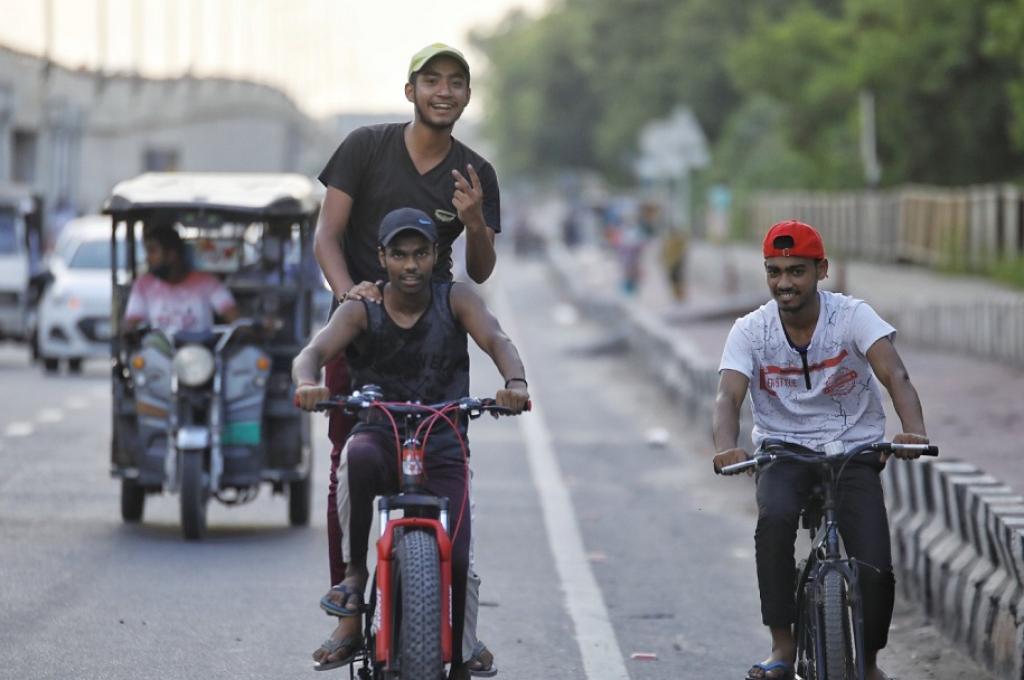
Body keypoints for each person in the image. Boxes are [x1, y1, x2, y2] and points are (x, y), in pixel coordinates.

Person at [313, 42, 502, 675]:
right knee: (352, 461)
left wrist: (475, 221)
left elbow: (479, 268)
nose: (444, 91)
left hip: (432, 342)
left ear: (467, 97)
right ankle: (348, 607)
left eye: (456, 83)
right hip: (362, 330)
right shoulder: (365, 147)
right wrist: (350, 296)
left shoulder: (474, 171)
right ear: (410, 90)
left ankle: (459, 625)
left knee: (452, 471)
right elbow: (327, 235)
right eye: (432, 80)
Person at [293, 208, 528, 679]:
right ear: (382, 258)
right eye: (399, 255)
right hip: (380, 432)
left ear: (436, 254)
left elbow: (497, 338)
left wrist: (515, 382)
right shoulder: (362, 308)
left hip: (443, 439)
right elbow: (314, 351)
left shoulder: (456, 299)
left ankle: (459, 658)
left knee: (458, 555)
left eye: (420, 253)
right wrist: (307, 381)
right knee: (356, 457)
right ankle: (355, 575)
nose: (410, 265)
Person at [711, 220, 929, 680]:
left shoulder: (853, 317)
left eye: (796, 271)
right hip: (782, 451)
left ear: (821, 270)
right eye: (774, 271)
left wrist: (912, 430)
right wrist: (726, 447)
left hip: (854, 448)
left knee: (875, 564)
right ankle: (782, 648)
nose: (784, 283)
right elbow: (728, 397)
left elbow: (896, 376)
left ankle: (868, 663)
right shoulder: (751, 330)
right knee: (773, 523)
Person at [123, 226, 238, 336]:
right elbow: (132, 321)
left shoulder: (207, 282)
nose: (147, 258)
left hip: (202, 351)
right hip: (160, 353)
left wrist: (245, 331)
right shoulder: (143, 284)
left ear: (171, 255)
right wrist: (129, 331)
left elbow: (233, 317)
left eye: (152, 251)